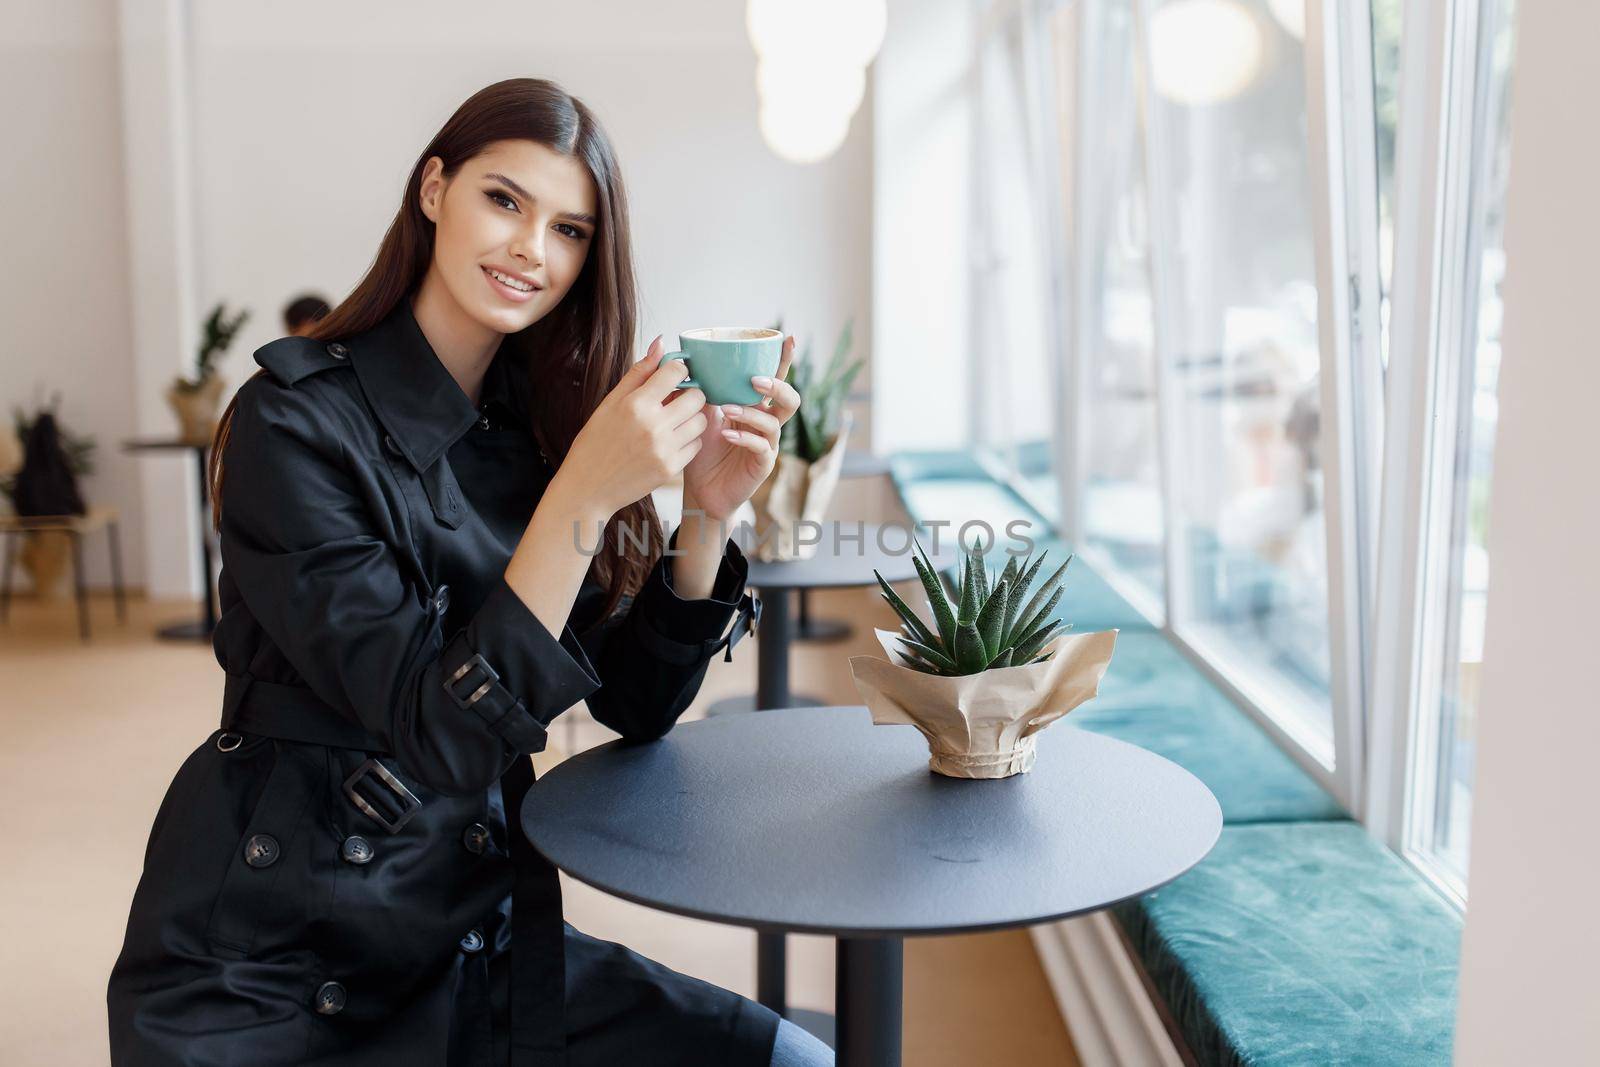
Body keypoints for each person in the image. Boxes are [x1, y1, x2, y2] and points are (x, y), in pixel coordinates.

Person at [107, 78, 834, 1067]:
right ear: (434, 188)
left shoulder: (540, 430)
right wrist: (582, 496)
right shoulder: (294, 426)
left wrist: (706, 511)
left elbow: (635, 702)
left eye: (569, 230)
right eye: (504, 199)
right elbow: (438, 731)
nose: (531, 250)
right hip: (279, 961)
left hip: (482, 940)